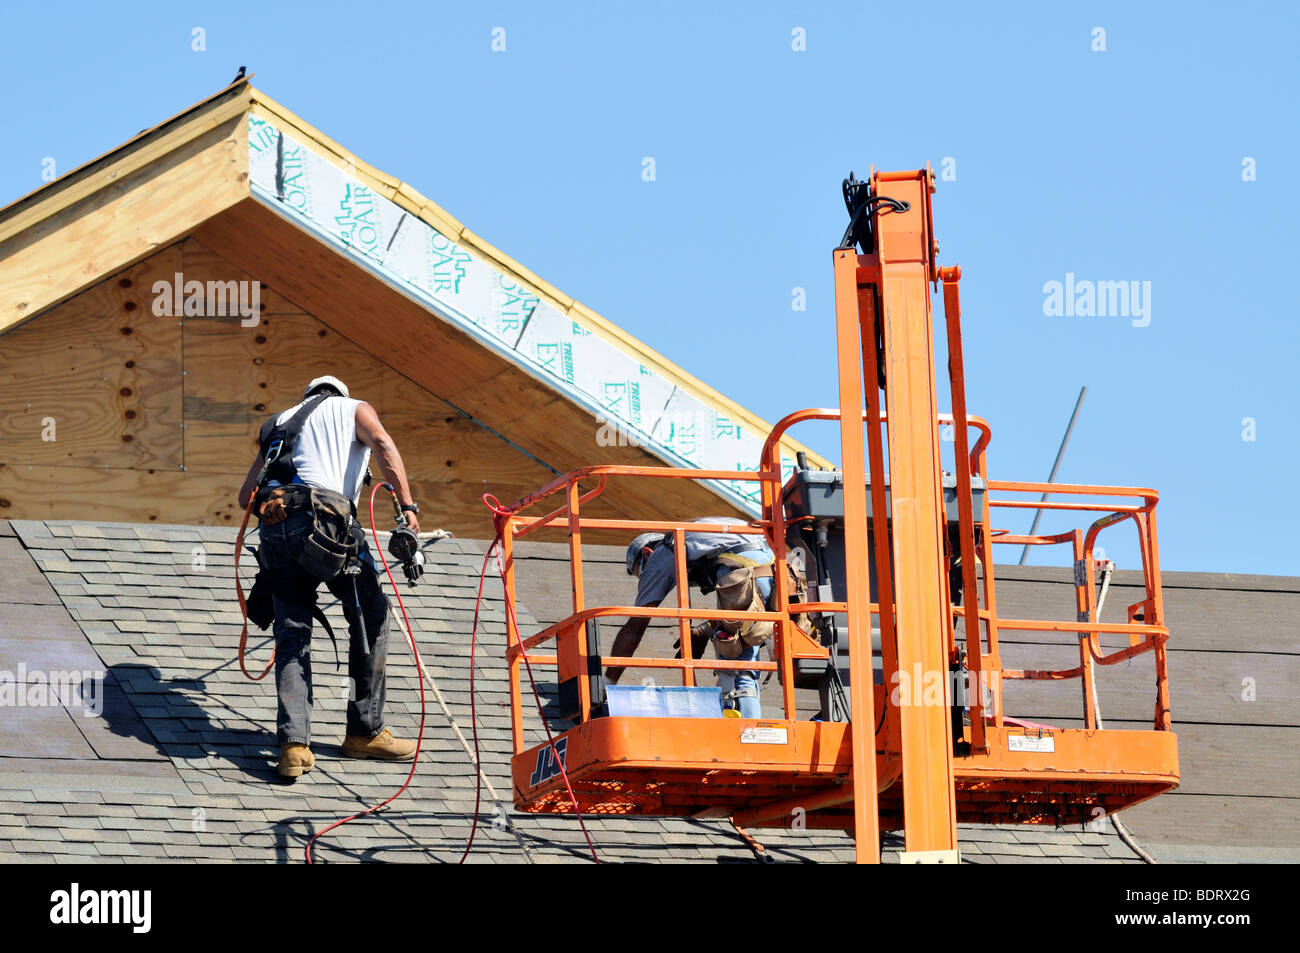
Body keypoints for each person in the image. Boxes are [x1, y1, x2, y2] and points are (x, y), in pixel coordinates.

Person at [236, 375, 423, 779]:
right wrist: (408, 509)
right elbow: (384, 444)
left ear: (307, 397)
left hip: (276, 534)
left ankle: (293, 746)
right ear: (339, 394)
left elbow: (245, 496)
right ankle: (364, 732)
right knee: (370, 615)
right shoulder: (354, 408)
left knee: (292, 633)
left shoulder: (277, 424)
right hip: (327, 528)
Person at [604, 519, 776, 718]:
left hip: (739, 574)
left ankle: (747, 732)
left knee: (735, 669)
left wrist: (608, 683)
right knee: (747, 660)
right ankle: (751, 724)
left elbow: (635, 627)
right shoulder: (697, 538)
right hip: (771, 569)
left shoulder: (665, 550)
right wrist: (706, 630)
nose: (647, 580)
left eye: (642, 574)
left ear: (646, 553)